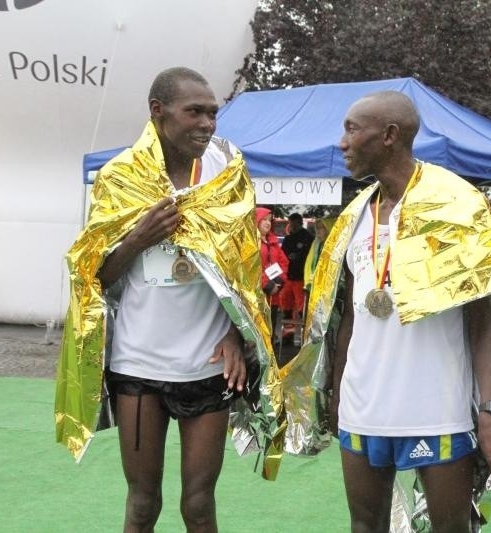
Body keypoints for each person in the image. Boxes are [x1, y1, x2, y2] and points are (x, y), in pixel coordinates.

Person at [55, 67, 270, 532]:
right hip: (138, 367)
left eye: (213, 113)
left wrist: (236, 334)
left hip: (208, 365)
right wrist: (137, 239)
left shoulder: (226, 173)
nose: (208, 124)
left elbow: (246, 271)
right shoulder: (120, 177)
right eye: (195, 112)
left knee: (198, 505)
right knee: (142, 504)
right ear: (158, 111)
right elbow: (95, 274)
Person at [325, 91, 491, 532]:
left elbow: (481, 319)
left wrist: (489, 412)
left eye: (353, 129)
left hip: (438, 408)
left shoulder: (453, 203)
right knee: (365, 527)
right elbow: (352, 315)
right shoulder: (357, 214)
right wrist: (337, 393)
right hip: (363, 408)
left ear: (390, 135)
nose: (343, 141)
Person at [257, 206, 289, 349]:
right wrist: (267, 284)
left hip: (273, 297)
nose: (267, 223)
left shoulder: (274, 242)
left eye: (269, 220)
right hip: (258, 296)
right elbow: (252, 267)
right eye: (264, 220)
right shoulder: (251, 242)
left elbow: (284, 263)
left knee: (270, 330)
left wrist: (279, 281)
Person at [280, 212, 313, 323]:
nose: (292, 227)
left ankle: (305, 333)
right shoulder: (288, 239)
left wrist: (298, 256)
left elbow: (311, 256)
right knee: (286, 305)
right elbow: (281, 255)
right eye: (291, 224)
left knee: (301, 307)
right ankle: (287, 337)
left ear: (300, 223)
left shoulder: (308, 238)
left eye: (294, 224)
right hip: (288, 277)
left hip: (301, 277)